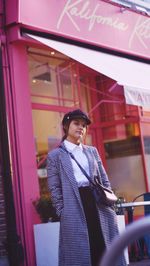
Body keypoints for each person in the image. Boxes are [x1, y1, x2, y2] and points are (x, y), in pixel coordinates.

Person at [47, 109, 126, 266]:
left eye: (83, 125)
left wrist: (109, 202)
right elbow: (54, 188)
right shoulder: (55, 156)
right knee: (80, 250)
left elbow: (103, 179)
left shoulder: (91, 151)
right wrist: (62, 211)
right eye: (76, 123)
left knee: (102, 245)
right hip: (73, 205)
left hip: (98, 203)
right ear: (66, 126)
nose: (81, 128)